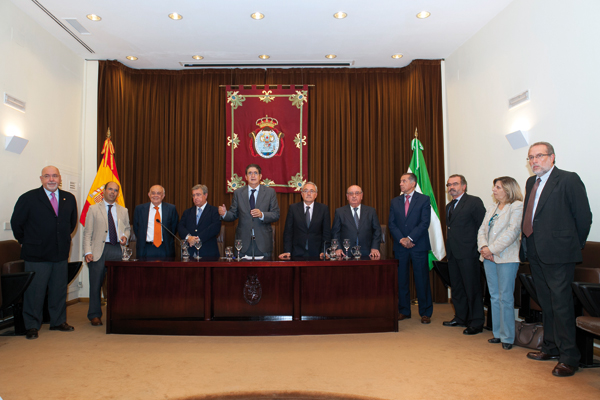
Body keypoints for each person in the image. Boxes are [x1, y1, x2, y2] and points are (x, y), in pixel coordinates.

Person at [521, 142, 592, 377]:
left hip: (560, 253)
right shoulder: (532, 182)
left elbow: (584, 217)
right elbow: (531, 215)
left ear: (552, 157)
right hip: (536, 252)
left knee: (561, 306)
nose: (534, 161)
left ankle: (569, 357)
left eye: (539, 156)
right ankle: (550, 347)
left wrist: (572, 243)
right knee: (546, 302)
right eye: (531, 157)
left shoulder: (568, 179)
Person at [10, 166, 78, 339]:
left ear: (60, 178)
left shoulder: (68, 198)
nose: (51, 179)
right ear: (41, 179)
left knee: (59, 290)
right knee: (35, 292)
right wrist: (25, 241)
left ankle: (58, 321)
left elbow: (71, 224)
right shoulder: (28, 198)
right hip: (36, 254)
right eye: (47, 176)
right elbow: (17, 224)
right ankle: (32, 325)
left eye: (54, 176)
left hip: (60, 253)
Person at [477, 177, 523, 350]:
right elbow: (482, 230)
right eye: (494, 187)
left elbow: (512, 232)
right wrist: (483, 247)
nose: (494, 190)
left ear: (508, 189)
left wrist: (492, 249)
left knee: (505, 297)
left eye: (498, 187)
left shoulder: (517, 206)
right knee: (494, 297)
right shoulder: (492, 208)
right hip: (488, 257)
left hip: (506, 257)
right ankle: (497, 333)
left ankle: (508, 337)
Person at [443, 174, 486, 335]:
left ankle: (476, 322)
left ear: (464, 186)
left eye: (455, 184)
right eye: (449, 185)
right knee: (457, 288)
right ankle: (461, 318)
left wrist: (480, 247)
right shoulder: (449, 206)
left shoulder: (474, 202)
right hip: (453, 253)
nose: (451, 187)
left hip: (469, 253)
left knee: (472, 288)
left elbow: (482, 227)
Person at [82, 181, 130, 326]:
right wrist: (87, 252)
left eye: (115, 190)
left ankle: (117, 313)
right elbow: (87, 232)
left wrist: (125, 237)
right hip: (98, 251)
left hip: (117, 249)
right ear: (104, 191)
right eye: (110, 189)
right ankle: (94, 315)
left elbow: (127, 228)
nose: (112, 192)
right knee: (95, 284)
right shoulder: (93, 209)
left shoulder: (123, 210)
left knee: (118, 285)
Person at [388, 173, 433, 324]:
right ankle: (404, 310)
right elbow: (392, 224)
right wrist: (402, 239)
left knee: (421, 279)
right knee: (402, 280)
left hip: (418, 245)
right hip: (401, 246)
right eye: (400, 181)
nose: (400, 183)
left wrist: (410, 238)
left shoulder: (424, 199)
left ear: (413, 183)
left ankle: (425, 312)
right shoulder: (395, 201)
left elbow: (424, 222)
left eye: (404, 181)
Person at [219, 164, 280, 258]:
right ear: (245, 177)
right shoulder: (238, 193)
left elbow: (276, 214)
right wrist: (225, 214)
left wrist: (262, 215)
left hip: (263, 243)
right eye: (250, 173)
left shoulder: (270, 192)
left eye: (255, 173)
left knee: (264, 272)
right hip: (243, 243)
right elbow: (233, 214)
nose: (253, 175)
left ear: (260, 176)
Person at [279, 182, 330, 259]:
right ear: (301, 194)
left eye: (311, 191)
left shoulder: (323, 209)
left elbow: (326, 233)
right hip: (296, 252)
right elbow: (288, 232)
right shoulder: (293, 208)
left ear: (316, 195)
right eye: (305, 191)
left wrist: (324, 250)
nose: (308, 194)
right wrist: (287, 251)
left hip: (317, 253)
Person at [331, 185, 381, 258]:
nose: (354, 196)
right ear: (347, 196)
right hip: (346, 253)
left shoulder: (371, 211)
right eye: (351, 194)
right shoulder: (340, 212)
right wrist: (338, 248)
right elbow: (335, 232)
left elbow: (377, 231)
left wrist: (375, 247)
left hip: (368, 252)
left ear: (362, 196)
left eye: (357, 193)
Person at [133, 185, 179, 259]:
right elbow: (136, 228)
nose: (155, 195)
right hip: (146, 248)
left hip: (165, 248)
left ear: (163, 195)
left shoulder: (171, 209)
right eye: (153, 193)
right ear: (149, 194)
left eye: (158, 193)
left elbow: (174, 228)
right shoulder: (140, 209)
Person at [178, 184, 222, 258]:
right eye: (193, 195)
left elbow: (214, 228)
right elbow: (180, 227)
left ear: (206, 195)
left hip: (208, 253)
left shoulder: (214, 211)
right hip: (190, 253)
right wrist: (189, 237)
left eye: (198, 195)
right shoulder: (187, 212)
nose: (195, 198)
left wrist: (197, 239)